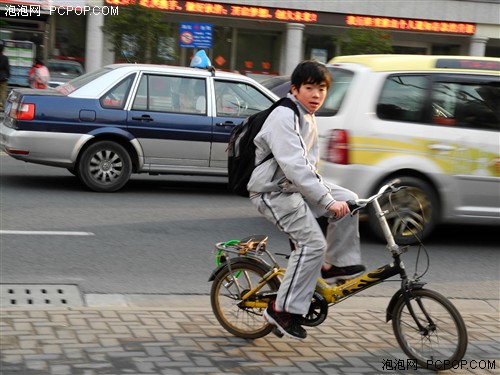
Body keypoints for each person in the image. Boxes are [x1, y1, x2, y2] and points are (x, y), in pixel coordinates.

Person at [247, 60, 365, 340]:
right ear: (295, 89)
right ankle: (280, 310)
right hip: (272, 192)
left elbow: (308, 169)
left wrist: (331, 199)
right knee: (311, 244)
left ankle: (334, 264)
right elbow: (296, 166)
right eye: (309, 88)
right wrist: (325, 201)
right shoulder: (284, 116)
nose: (316, 95)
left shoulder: (306, 116)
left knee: (350, 200)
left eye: (322, 89)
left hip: (292, 187)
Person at [0, 42, 10, 112]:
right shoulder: (5, 58)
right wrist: (8, 76)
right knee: (3, 92)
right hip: (3, 77)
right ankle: (3, 107)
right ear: (2, 50)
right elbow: (7, 68)